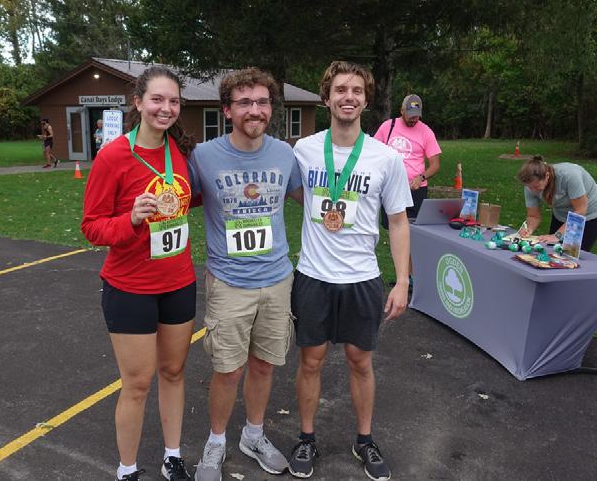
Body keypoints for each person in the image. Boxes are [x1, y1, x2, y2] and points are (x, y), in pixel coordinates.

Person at [287, 61, 412, 481]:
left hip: (362, 277)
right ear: (326, 98)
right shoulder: (304, 150)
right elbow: (295, 194)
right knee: (311, 361)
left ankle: (364, 440)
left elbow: (398, 221)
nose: (349, 97)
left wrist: (402, 281)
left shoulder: (385, 158)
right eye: (340, 89)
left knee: (360, 361)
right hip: (314, 275)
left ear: (365, 100)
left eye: (357, 91)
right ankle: (306, 437)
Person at [81, 66, 198, 481]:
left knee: (174, 372)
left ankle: (172, 457)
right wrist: (130, 219)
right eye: (157, 99)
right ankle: (127, 469)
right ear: (138, 102)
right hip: (130, 287)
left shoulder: (180, 150)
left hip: (179, 282)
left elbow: (190, 197)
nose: (166, 108)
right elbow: (92, 227)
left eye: (173, 101)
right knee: (137, 383)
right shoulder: (114, 156)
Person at [188, 67, 302, 481]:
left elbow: (308, 197)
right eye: (244, 102)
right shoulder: (203, 156)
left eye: (262, 102)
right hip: (229, 282)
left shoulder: (285, 154)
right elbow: (179, 198)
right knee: (228, 370)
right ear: (227, 110)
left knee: (264, 365)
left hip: (277, 279)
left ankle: (253, 436)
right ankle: (216, 442)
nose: (255, 110)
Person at [373, 94, 441, 227]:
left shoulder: (426, 132)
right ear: (402, 111)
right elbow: (374, 152)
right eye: (411, 115)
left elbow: (435, 164)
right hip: (391, 187)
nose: (414, 119)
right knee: (391, 225)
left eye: (417, 116)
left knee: (415, 227)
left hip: (416, 189)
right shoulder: (388, 126)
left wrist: (421, 178)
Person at [517, 156, 597, 252]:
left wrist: (557, 235)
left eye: (536, 186)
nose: (533, 190)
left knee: (571, 253)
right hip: (562, 214)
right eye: (530, 187)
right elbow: (533, 216)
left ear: (547, 175)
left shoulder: (569, 176)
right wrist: (529, 229)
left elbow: (581, 210)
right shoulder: (530, 186)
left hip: (590, 214)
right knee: (551, 250)